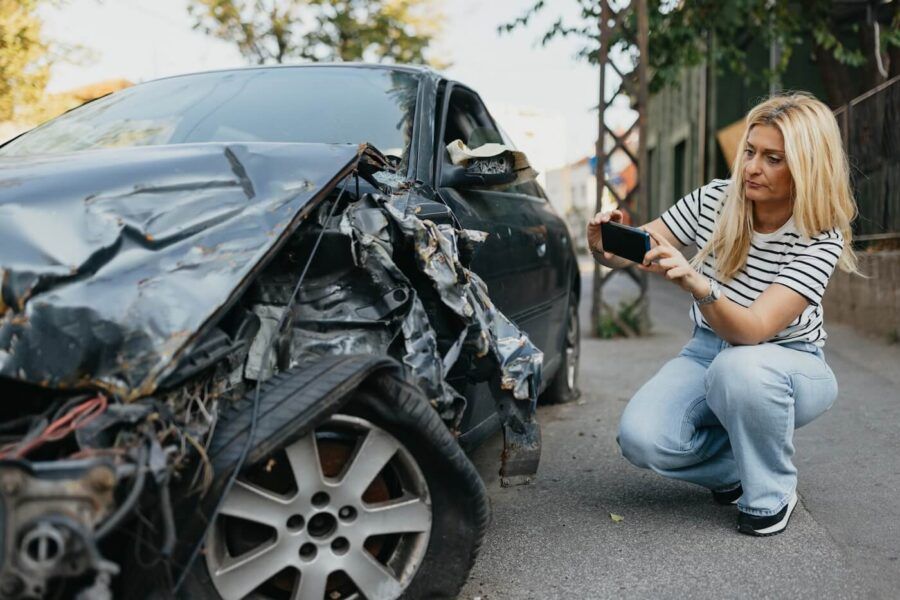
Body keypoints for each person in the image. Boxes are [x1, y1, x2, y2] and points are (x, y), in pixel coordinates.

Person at [588, 92, 858, 536]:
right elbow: (641, 248)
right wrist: (603, 245)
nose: (752, 167)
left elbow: (753, 332)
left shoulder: (819, 238)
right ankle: (736, 467)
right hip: (706, 352)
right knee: (641, 438)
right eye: (750, 151)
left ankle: (770, 494)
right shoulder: (716, 199)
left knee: (741, 367)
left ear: (807, 167)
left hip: (791, 362)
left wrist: (700, 286)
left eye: (774, 158)